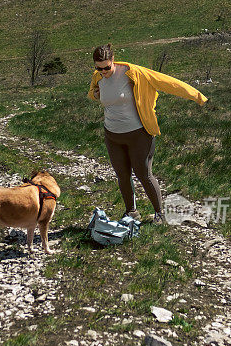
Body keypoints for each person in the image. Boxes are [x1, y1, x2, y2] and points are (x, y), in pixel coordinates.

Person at [88, 43, 208, 225]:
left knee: (144, 174)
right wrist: (96, 95)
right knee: (122, 175)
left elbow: (167, 82)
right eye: (99, 68)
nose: (103, 71)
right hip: (112, 134)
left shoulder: (133, 73)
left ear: (113, 60)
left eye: (106, 67)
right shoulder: (98, 77)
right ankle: (131, 213)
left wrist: (196, 95)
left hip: (138, 133)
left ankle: (159, 214)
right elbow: (94, 94)